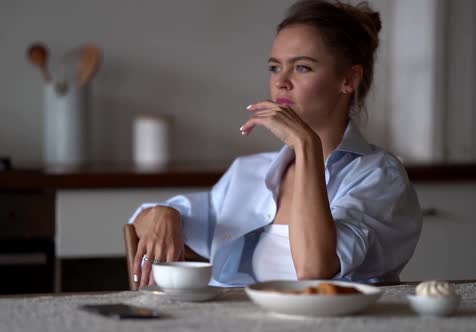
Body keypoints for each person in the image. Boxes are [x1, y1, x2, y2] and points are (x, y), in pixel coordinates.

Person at [129, 0, 422, 288]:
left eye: (302, 68)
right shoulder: (248, 172)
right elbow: (139, 225)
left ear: (348, 79)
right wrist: (163, 214)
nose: (281, 81)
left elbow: (314, 268)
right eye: (274, 67)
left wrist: (306, 144)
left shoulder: (379, 176)